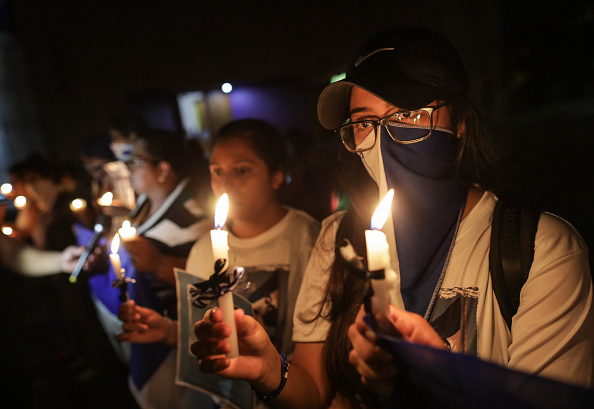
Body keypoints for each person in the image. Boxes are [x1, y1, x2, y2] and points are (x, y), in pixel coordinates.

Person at [190, 27, 594, 409]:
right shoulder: (339, 238)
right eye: (365, 122)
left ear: (461, 125)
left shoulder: (539, 247)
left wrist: (442, 378)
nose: (382, 140)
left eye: (409, 114)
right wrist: (268, 369)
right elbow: (310, 390)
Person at [117, 118, 321, 408]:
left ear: (276, 175)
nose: (225, 183)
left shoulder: (308, 239)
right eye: (217, 171)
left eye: (242, 170)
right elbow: (204, 331)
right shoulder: (203, 250)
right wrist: (168, 331)